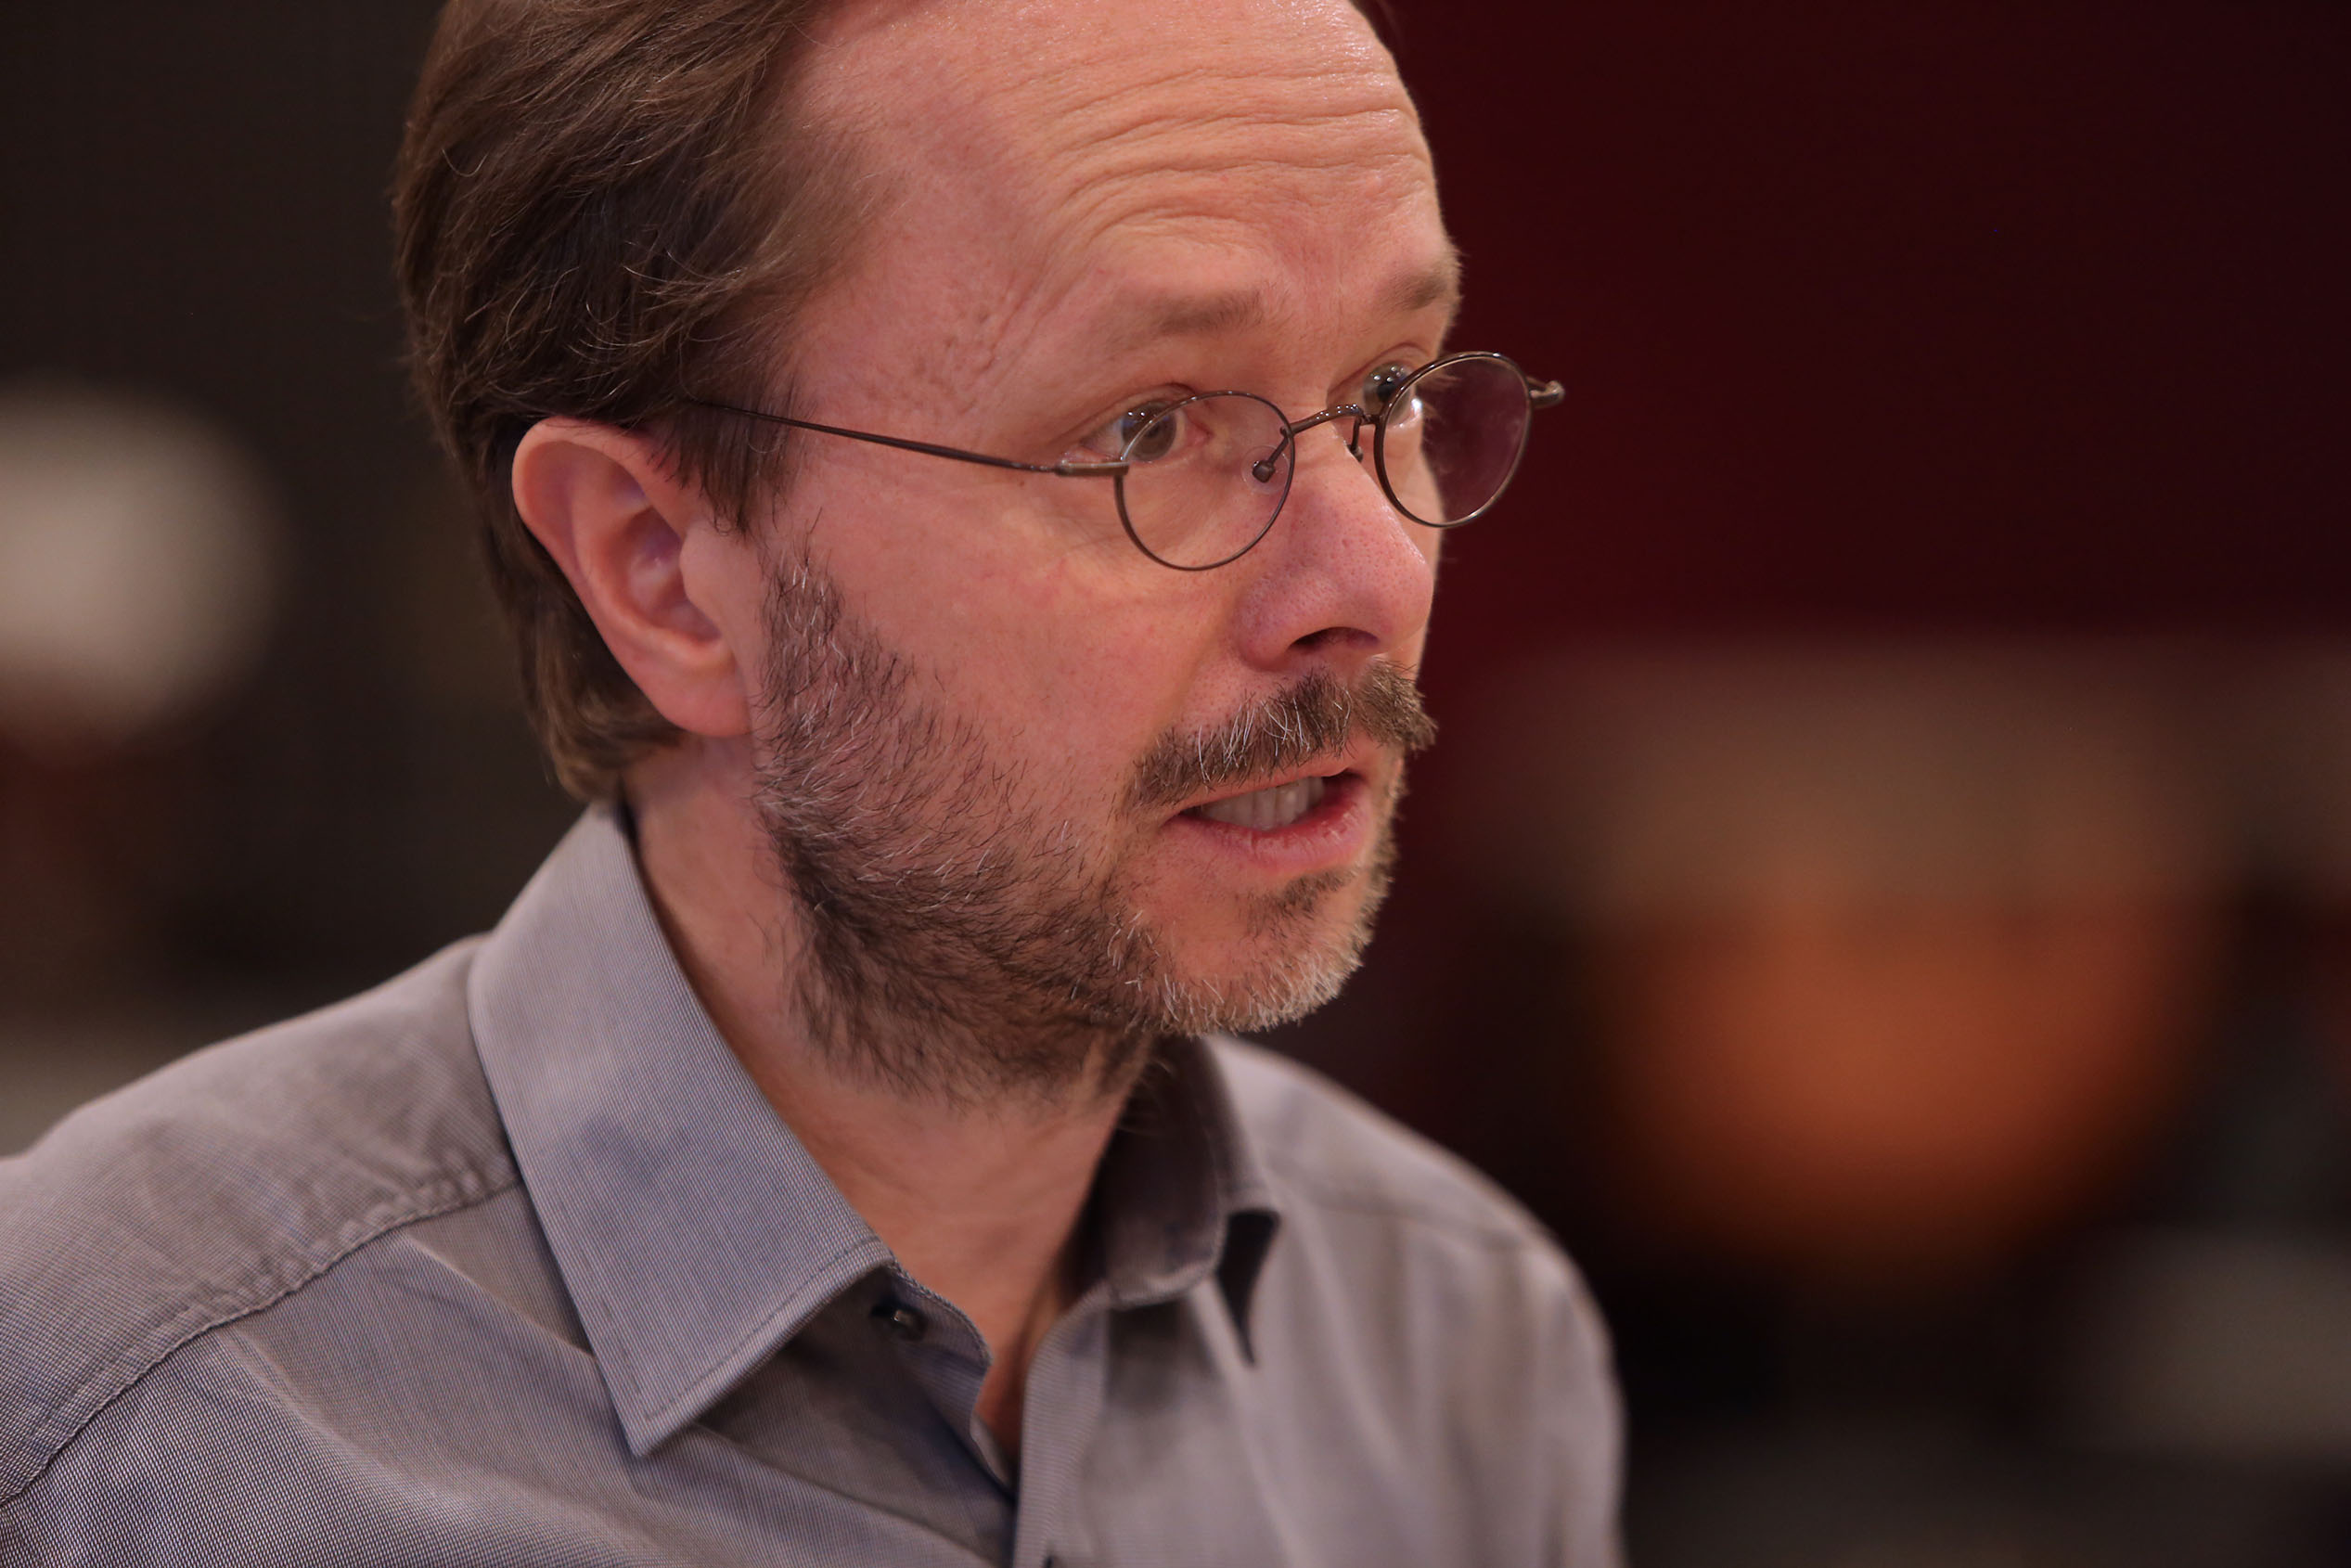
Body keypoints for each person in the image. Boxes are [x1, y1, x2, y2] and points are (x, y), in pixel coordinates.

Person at [0, 0, 1621, 1562]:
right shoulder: (118, 1428)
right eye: (1144, 431)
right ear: (660, 569)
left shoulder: (1459, 1347)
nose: (1369, 579)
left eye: (1392, 392)